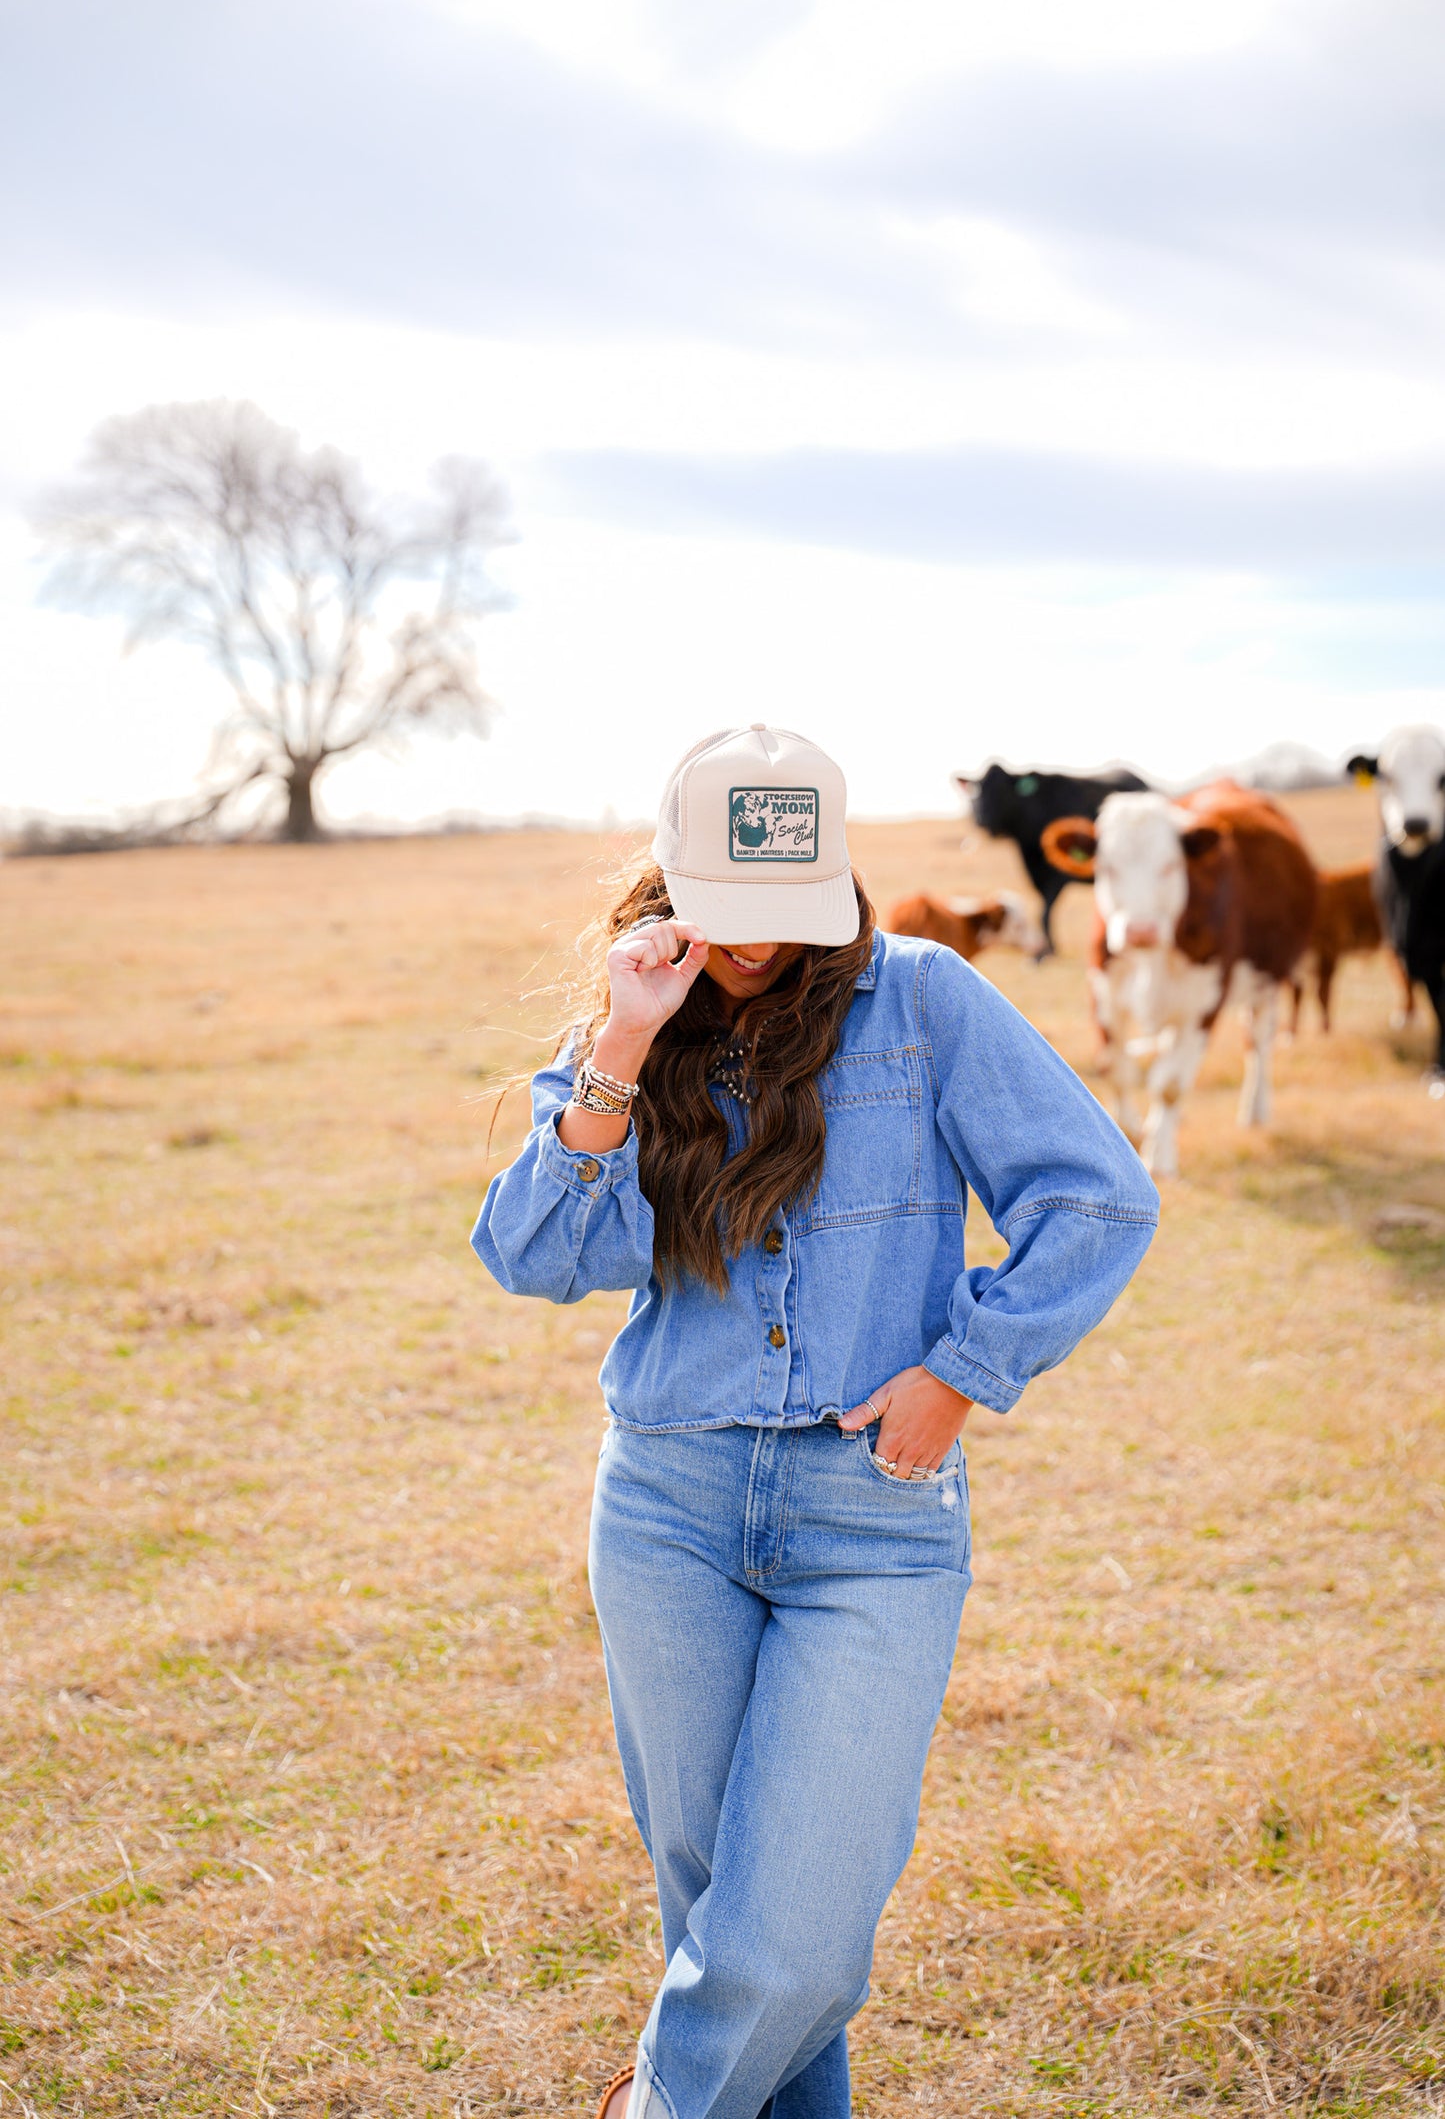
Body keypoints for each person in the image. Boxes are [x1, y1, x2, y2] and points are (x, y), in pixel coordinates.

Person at [473, 725, 1159, 2119]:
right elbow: (538, 1257)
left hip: (872, 1519)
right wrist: (621, 1043)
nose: (753, 945)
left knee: (793, 1939)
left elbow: (1096, 1196)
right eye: (724, 909)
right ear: (670, 882)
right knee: (722, 1917)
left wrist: (961, 1370)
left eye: (781, 911)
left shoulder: (924, 998)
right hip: (666, 1507)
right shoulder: (637, 1019)